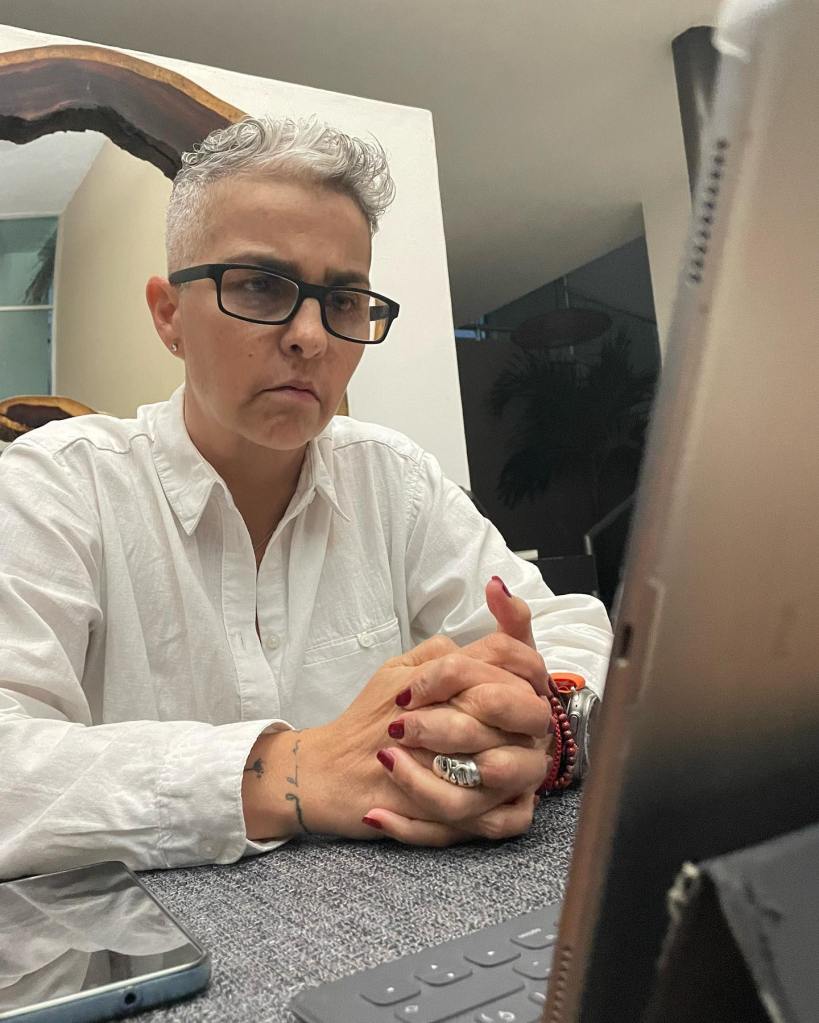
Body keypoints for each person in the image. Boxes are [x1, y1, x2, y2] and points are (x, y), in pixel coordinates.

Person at [0, 117, 612, 880]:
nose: (311, 337)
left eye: (345, 300)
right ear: (168, 313)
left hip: (400, 913)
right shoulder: (56, 486)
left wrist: (541, 728)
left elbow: (563, 627)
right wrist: (291, 770)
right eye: (260, 285)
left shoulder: (395, 481)